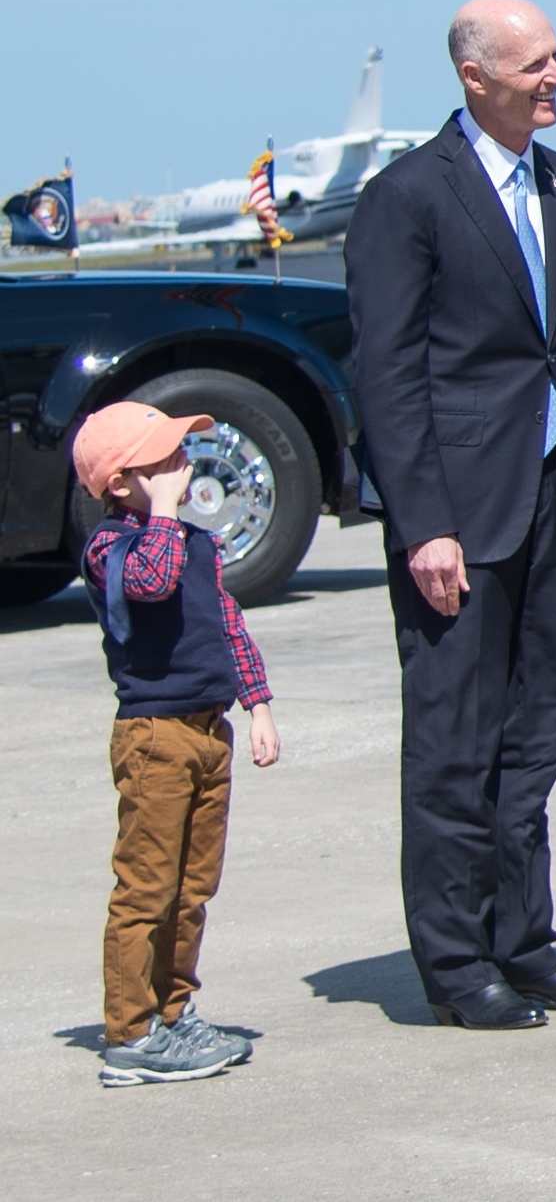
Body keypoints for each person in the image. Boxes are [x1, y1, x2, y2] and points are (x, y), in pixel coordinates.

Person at [346, 0, 556, 1029]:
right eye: (535, 63)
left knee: (538, 725)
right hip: (458, 514)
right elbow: (386, 374)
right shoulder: (407, 197)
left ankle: (523, 937)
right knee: (453, 739)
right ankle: (455, 961)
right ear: (476, 75)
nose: (555, 76)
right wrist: (422, 520)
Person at [75, 401, 282, 1087]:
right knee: (147, 888)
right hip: (154, 738)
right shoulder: (112, 546)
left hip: (207, 730)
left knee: (192, 887)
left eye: (179, 455)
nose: (180, 467)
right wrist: (164, 511)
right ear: (120, 483)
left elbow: (228, 623)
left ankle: (173, 1009)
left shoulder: (196, 543)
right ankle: (130, 1033)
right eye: (161, 460)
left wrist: (256, 704)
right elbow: (150, 583)